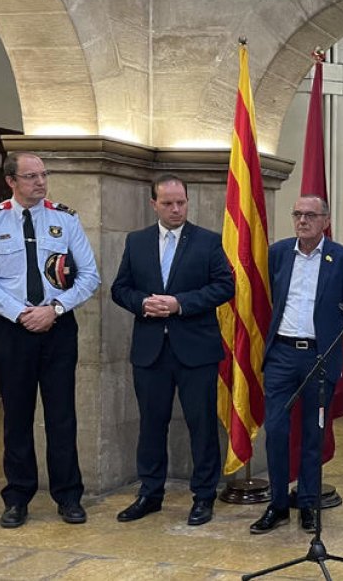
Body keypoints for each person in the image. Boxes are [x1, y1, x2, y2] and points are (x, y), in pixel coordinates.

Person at [0, 151, 100, 528]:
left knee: (62, 416)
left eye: (43, 175)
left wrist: (53, 309)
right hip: (13, 329)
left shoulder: (64, 218)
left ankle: (69, 496)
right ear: (11, 180)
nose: (40, 182)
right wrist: (21, 313)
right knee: (17, 417)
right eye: (31, 176)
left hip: (57, 327)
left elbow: (89, 275)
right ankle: (18, 497)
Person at [110, 174, 234, 526]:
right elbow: (120, 289)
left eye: (181, 202)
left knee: (202, 425)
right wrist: (143, 302)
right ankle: (150, 493)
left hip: (196, 350)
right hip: (151, 351)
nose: (176, 208)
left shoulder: (208, 242)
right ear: (154, 204)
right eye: (168, 203)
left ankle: (204, 496)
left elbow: (224, 286)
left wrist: (179, 304)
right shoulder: (136, 242)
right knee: (151, 424)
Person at [250, 195, 343, 535]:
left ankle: (309, 503)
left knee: (314, 432)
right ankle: (278, 504)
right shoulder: (279, 253)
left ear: (325, 220)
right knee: (277, 431)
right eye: (297, 214)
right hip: (282, 354)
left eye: (310, 215)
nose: (302, 220)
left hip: (319, 357)